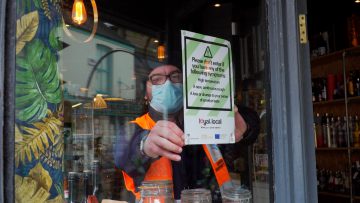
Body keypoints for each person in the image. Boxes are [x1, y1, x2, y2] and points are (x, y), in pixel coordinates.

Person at [115, 64, 260, 202]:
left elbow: (251, 120)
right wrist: (144, 145)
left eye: (175, 77)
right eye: (157, 79)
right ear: (145, 94)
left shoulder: (205, 119)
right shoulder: (135, 128)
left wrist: (245, 126)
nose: (168, 84)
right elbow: (123, 156)